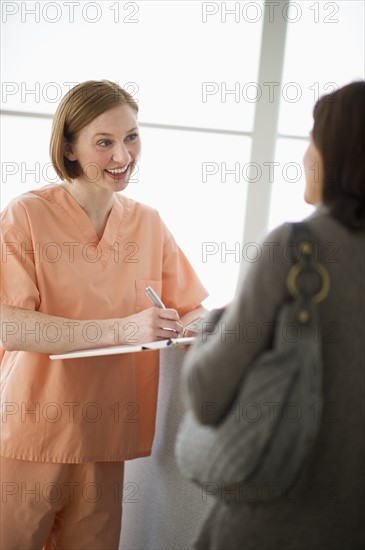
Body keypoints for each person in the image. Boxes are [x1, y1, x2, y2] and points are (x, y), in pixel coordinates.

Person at [0, 80, 208, 549]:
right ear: (70, 149)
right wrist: (125, 328)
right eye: (104, 143)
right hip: (33, 430)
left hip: (105, 437)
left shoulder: (149, 222)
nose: (123, 156)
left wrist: (222, 326)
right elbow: (9, 323)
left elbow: (191, 308)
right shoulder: (26, 215)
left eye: (131, 137)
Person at [181, 81, 365, 550]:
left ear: (341, 153)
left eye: (313, 138)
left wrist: (213, 324)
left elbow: (207, 396)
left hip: (274, 528)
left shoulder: (299, 249)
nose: (305, 155)